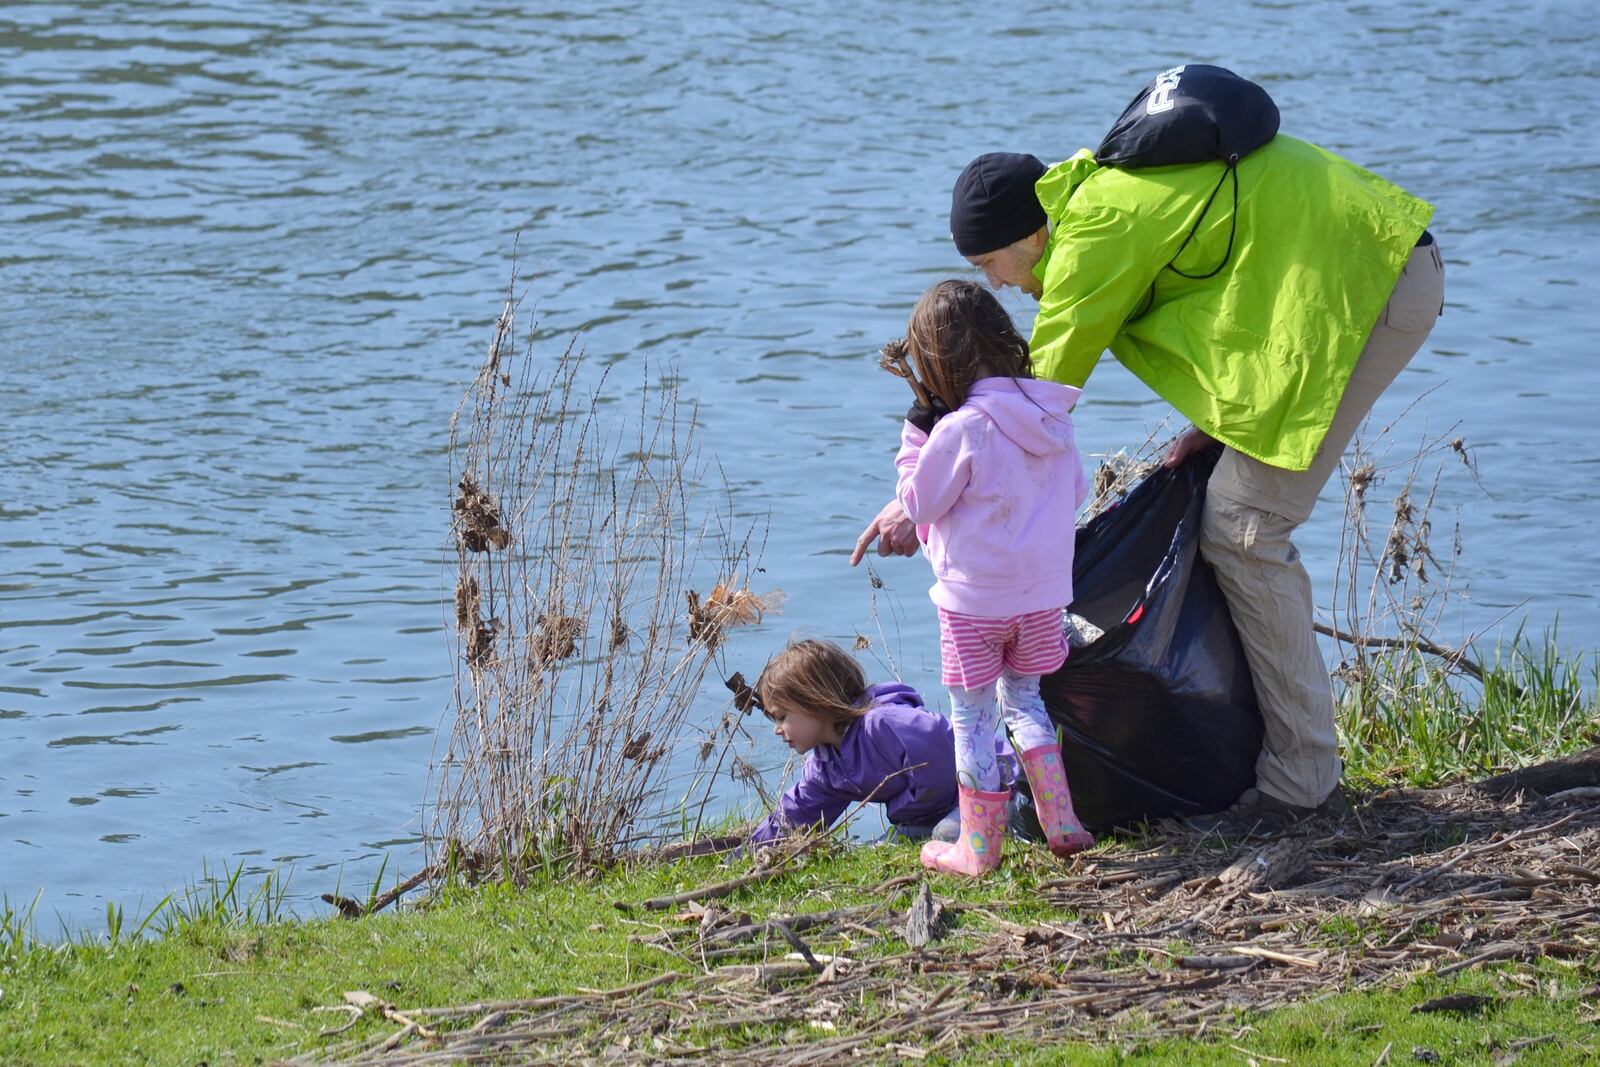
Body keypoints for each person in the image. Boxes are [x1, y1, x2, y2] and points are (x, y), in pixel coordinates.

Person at [854, 85, 1444, 835]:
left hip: (1372, 280)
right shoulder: (1094, 203)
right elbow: (1234, 290)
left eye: (990, 262)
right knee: (1231, 503)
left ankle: (1303, 784)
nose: (996, 283)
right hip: (1355, 270)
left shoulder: (1087, 245)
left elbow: (1024, 407)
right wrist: (1218, 421)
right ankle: (1270, 757)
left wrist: (915, 498)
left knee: (1244, 523)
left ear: (1026, 236)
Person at [884, 279, 1094, 877]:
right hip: (1043, 598)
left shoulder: (961, 429)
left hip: (973, 603)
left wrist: (913, 437)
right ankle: (1062, 823)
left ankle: (976, 850)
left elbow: (918, 503)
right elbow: (1075, 492)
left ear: (938, 363)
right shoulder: (1052, 415)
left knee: (972, 716)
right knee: (1025, 700)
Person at [746, 638, 1015, 846]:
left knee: (945, 833)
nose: (777, 730)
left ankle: (1004, 825)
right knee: (887, 846)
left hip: (992, 786)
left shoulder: (883, 724)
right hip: (930, 814)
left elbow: (942, 756)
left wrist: (905, 810)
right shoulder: (826, 766)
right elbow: (797, 814)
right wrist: (748, 851)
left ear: (816, 702)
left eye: (782, 717)